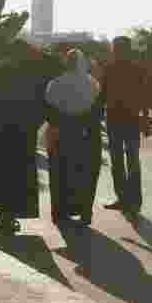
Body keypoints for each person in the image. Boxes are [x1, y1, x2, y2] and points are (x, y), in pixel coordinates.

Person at [0, 39, 50, 235]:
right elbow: (42, 105)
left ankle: (3, 216)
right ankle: (9, 216)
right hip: (23, 132)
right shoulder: (32, 75)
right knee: (19, 176)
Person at [45, 49, 102, 226]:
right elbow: (97, 109)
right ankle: (85, 212)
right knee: (86, 173)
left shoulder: (55, 84)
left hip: (61, 133)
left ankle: (59, 213)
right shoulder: (93, 83)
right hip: (87, 135)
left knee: (59, 173)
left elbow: (49, 110)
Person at [101, 36, 152, 213]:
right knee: (128, 160)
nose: (113, 51)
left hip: (120, 120)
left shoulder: (112, 69)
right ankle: (130, 200)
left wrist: (145, 119)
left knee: (122, 161)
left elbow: (102, 97)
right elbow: (146, 97)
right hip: (126, 119)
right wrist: (145, 120)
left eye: (114, 48)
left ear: (118, 49)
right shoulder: (131, 69)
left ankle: (126, 199)